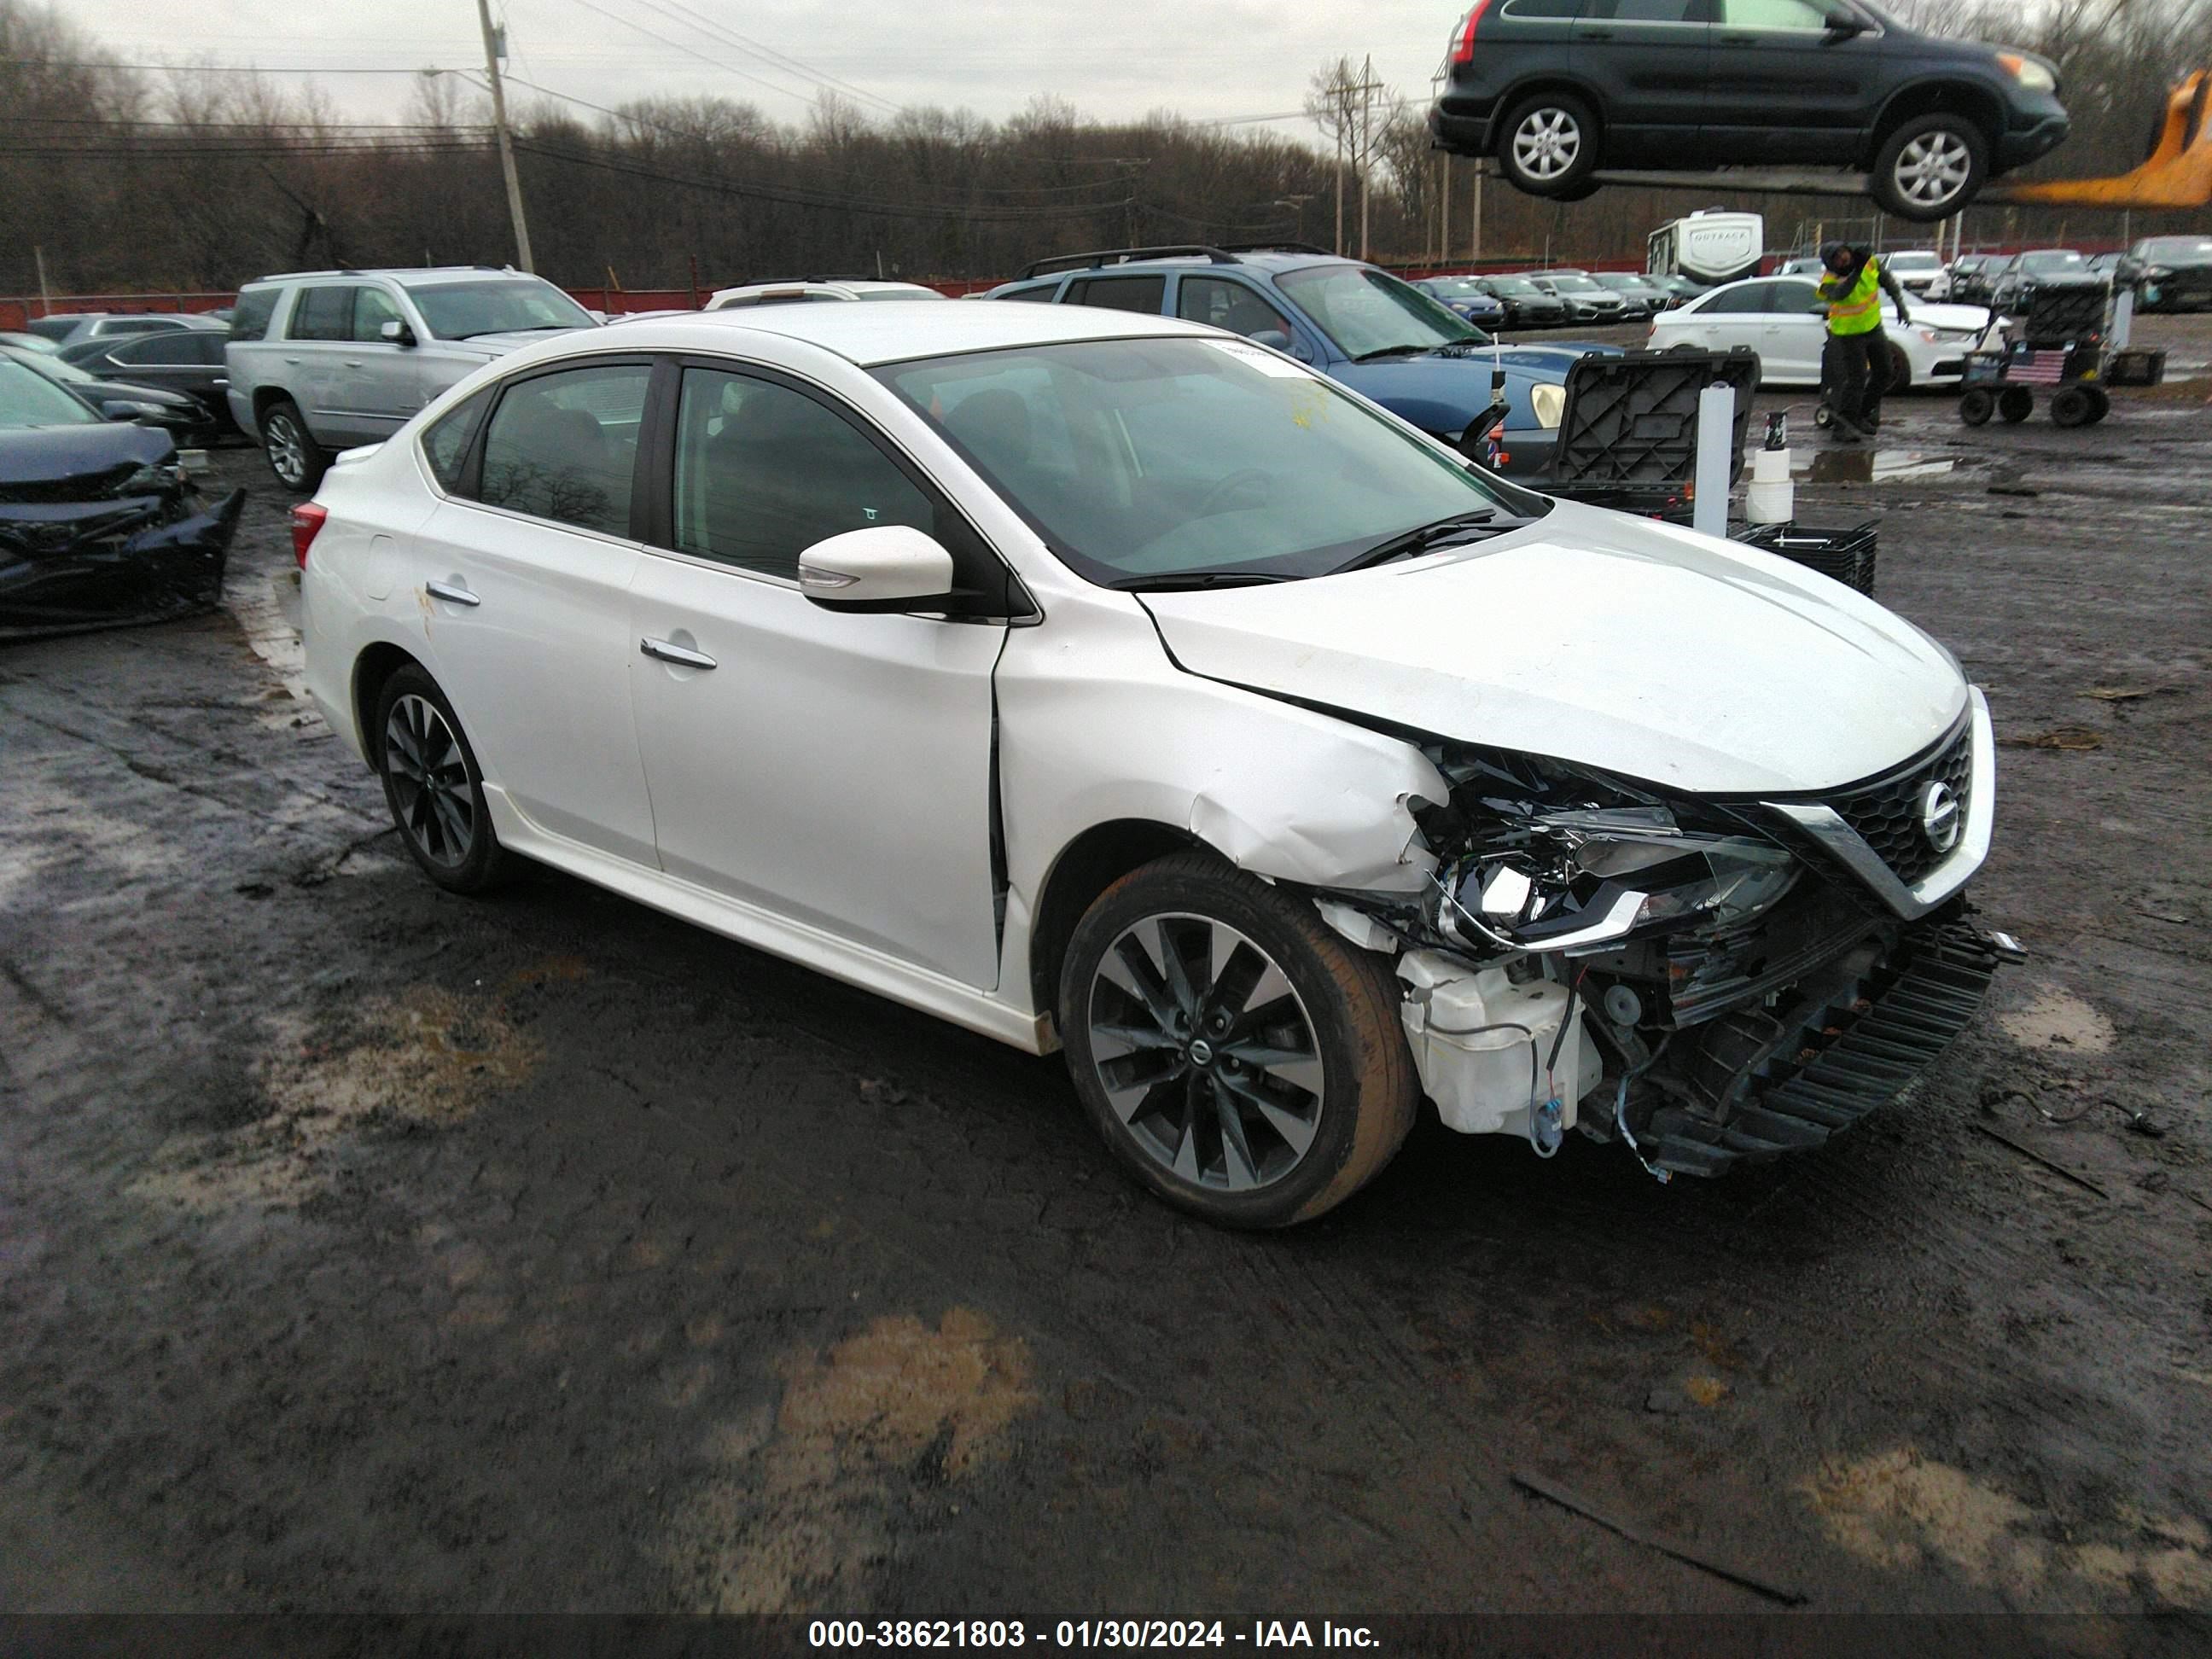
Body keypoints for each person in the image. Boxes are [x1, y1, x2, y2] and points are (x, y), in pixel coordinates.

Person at [1818, 242, 1911, 441]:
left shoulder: (1868, 262)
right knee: (1856, 379)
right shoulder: (1828, 281)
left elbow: (1888, 282)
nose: (1843, 259)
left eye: (1844, 253)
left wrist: (1900, 306)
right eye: (1837, 258)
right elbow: (1843, 293)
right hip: (1848, 334)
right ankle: (1843, 427)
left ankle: (1860, 415)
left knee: (1885, 371)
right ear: (1830, 264)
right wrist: (1857, 269)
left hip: (1873, 327)